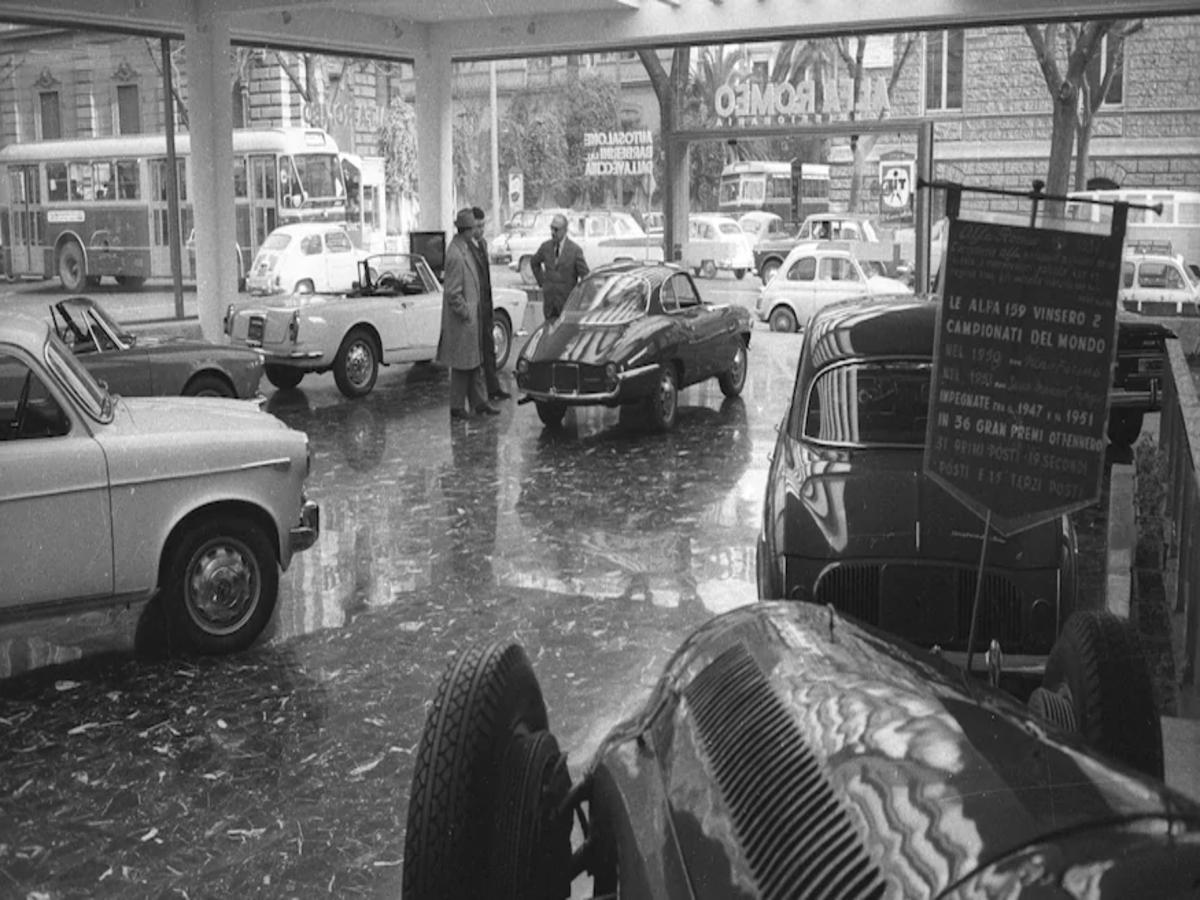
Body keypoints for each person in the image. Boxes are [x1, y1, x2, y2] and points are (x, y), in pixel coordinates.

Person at [438, 207, 499, 420]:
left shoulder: (464, 248)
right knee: (463, 366)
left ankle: (479, 402)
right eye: (474, 227)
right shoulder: (456, 253)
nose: (476, 230)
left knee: (474, 363)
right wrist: (466, 313)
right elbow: (453, 293)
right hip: (463, 321)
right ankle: (457, 406)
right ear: (467, 229)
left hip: (470, 319)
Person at [471, 206, 510, 401]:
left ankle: (493, 387)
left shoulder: (483, 245)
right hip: (474, 305)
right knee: (476, 351)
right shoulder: (466, 247)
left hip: (486, 303)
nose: (481, 230)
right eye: (477, 226)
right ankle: (479, 395)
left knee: (489, 346)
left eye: (483, 225)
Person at [530, 213, 588, 323]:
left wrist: (580, 297)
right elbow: (534, 262)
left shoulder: (575, 251)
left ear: (564, 230)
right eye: (551, 228)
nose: (552, 233)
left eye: (556, 230)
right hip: (550, 306)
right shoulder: (546, 247)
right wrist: (542, 282)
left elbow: (586, 277)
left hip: (567, 306)